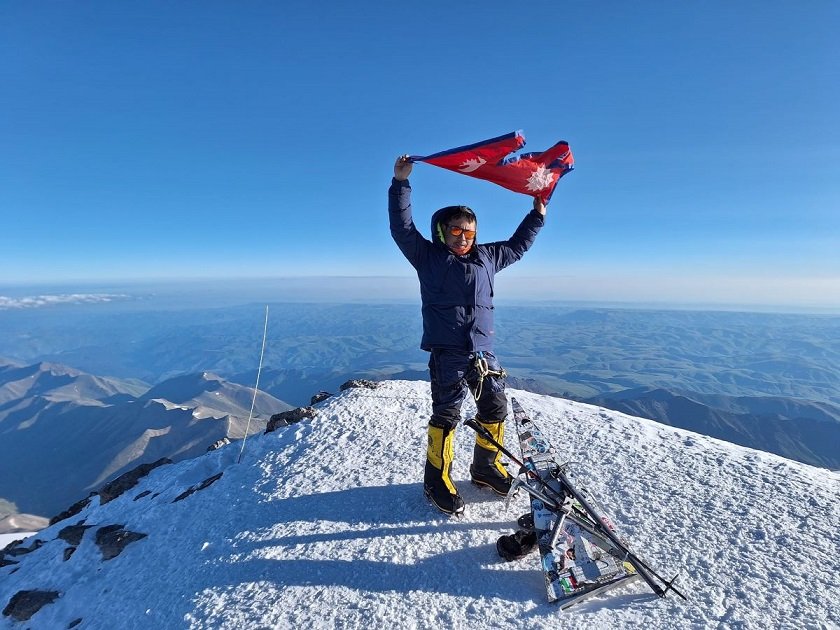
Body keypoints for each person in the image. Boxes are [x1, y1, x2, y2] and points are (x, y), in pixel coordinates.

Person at [389, 154, 547, 515]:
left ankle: (485, 468)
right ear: (442, 232)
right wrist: (401, 184)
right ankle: (436, 479)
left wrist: (536, 216)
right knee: (447, 414)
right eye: (456, 230)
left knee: (494, 406)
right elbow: (402, 228)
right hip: (448, 352)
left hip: (483, 353)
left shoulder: (488, 257)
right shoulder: (427, 257)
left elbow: (519, 244)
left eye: (469, 231)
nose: (463, 237)